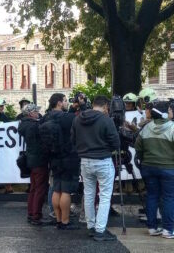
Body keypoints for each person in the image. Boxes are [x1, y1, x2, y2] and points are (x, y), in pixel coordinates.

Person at [134, 101, 174, 239]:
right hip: (170, 169)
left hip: (149, 168)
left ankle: (152, 228)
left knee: (152, 196)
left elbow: (138, 147)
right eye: (170, 109)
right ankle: (168, 230)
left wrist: (144, 161)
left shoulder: (146, 128)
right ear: (165, 113)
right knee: (168, 198)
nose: (172, 111)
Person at [71, 96, 120, 241]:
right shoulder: (106, 120)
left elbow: (72, 140)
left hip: (85, 161)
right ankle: (100, 230)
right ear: (105, 106)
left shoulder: (77, 119)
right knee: (104, 196)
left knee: (89, 194)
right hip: (103, 160)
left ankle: (91, 226)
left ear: (93, 105)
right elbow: (115, 142)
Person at [41, 93, 80, 230]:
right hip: (68, 157)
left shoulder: (46, 117)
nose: (66, 103)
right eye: (64, 101)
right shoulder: (68, 118)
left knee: (56, 189)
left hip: (53, 158)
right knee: (66, 191)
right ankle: (65, 221)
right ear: (59, 103)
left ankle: (58, 219)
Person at [18, 103, 49, 225]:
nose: (38, 113)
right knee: (39, 189)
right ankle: (36, 215)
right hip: (39, 160)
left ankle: (31, 213)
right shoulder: (34, 126)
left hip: (31, 159)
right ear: (31, 113)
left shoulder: (24, 125)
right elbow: (40, 143)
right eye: (36, 111)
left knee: (34, 188)